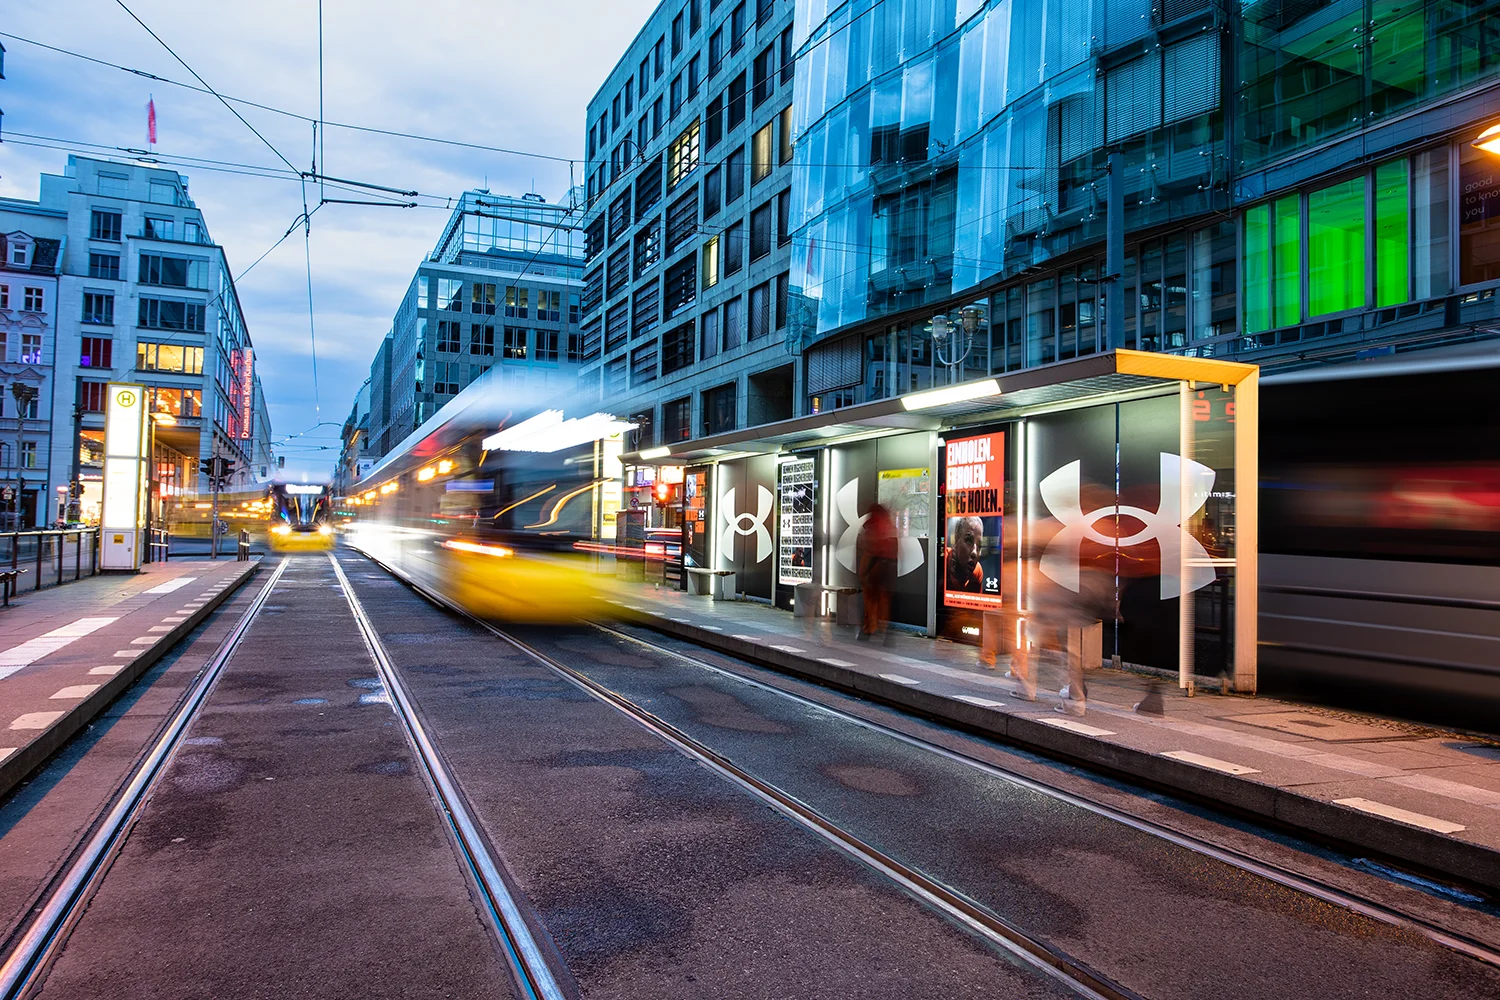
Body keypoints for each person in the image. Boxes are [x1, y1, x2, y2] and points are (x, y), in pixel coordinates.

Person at [856, 503, 897, 640]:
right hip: (886, 567)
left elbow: (864, 543)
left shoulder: (871, 524)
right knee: (884, 598)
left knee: (870, 599)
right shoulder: (889, 525)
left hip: (872, 565)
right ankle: (883, 628)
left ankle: (870, 627)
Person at [946, 515, 987, 593]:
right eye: (968, 540)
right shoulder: (943, 560)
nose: (974, 553)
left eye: (979, 545)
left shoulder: (977, 572)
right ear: (956, 540)